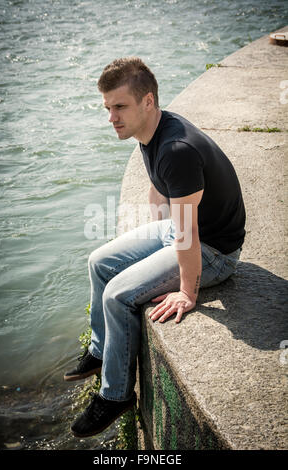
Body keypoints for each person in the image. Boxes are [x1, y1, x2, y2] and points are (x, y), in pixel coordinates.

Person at [64, 57, 246, 438]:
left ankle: (115, 396)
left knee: (118, 295)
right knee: (99, 261)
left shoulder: (176, 149)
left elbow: (187, 235)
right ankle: (100, 352)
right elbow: (160, 195)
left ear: (148, 101)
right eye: (107, 108)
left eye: (119, 106)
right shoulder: (151, 132)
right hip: (182, 229)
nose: (111, 117)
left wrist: (187, 291)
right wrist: (151, 244)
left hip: (213, 250)